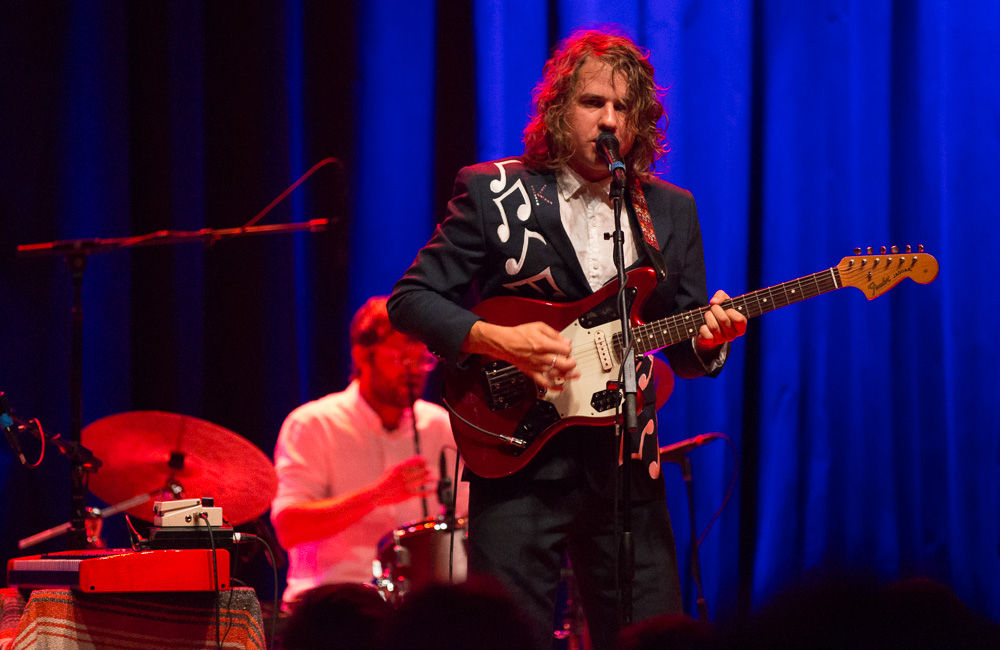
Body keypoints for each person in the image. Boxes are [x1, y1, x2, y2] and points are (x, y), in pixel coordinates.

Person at [388, 29, 746, 650]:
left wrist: (713, 337)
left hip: (628, 468)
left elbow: (684, 344)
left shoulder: (671, 210)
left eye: (623, 107)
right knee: (506, 639)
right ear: (559, 109)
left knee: (653, 635)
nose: (610, 120)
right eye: (592, 103)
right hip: (520, 459)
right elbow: (411, 300)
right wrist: (498, 340)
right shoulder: (494, 190)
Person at [271, 296, 464, 605]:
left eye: (422, 361)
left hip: (417, 611)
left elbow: (467, 521)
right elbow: (289, 528)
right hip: (331, 607)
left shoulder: (440, 426)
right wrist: (378, 495)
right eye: (401, 358)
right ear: (362, 355)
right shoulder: (313, 424)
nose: (414, 371)